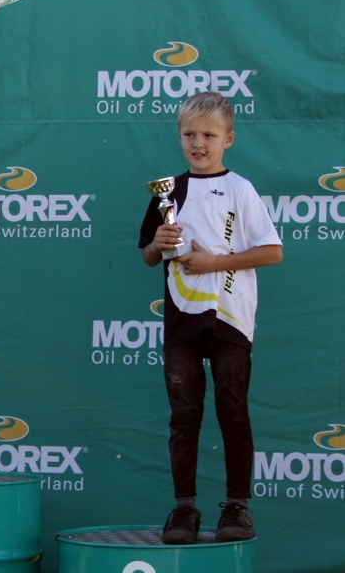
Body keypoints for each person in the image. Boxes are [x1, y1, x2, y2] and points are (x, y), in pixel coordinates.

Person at [139, 91, 282, 544]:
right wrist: (158, 243)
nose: (198, 144)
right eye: (189, 135)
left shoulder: (240, 189)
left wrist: (214, 263)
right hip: (181, 318)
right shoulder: (168, 192)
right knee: (184, 415)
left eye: (208, 135)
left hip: (230, 317)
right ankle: (184, 508)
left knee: (233, 410)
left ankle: (237, 507)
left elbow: (272, 251)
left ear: (228, 139)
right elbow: (147, 255)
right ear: (179, 136)